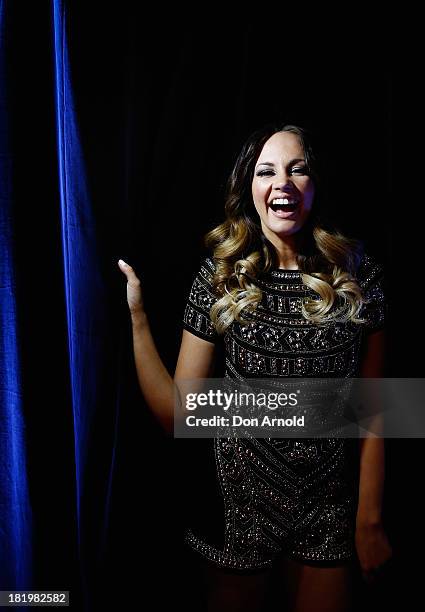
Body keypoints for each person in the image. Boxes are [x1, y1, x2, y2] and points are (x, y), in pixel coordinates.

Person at [118, 123, 393, 611]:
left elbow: (376, 409)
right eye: (267, 172)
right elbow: (179, 417)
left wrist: (368, 519)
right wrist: (138, 318)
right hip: (236, 514)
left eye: (297, 169)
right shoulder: (221, 277)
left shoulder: (358, 273)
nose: (282, 183)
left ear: (315, 183)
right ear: (251, 187)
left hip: (329, 513)